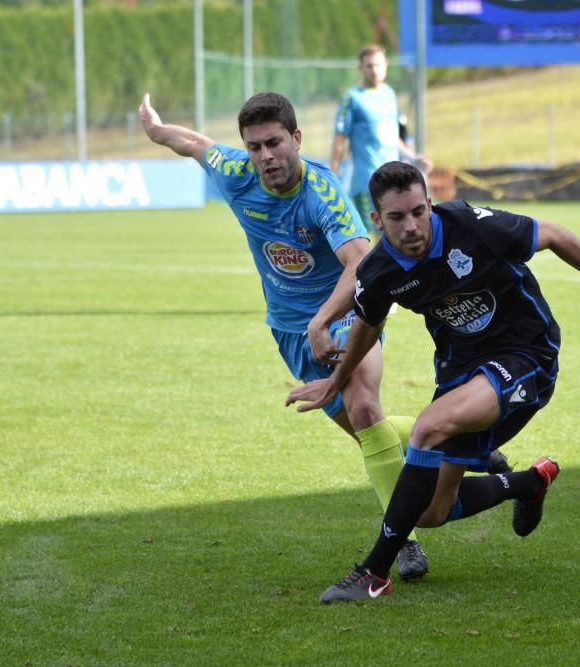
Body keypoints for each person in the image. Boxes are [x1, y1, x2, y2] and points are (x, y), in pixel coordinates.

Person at [286, 161, 580, 603]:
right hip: (460, 370)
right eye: (397, 217)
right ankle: (528, 484)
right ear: (377, 220)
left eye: (418, 212)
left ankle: (374, 572)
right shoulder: (378, 273)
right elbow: (367, 327)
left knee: (428, 428)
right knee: (431, 512)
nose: (411, 226)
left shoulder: (472, 226)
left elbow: (555, 235)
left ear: (429, 204)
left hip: (526, 354)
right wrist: (335, 383)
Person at [137, 92, 433, 580]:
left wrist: (322, 321)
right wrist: (155, 130)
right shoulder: (236, 175)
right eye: (254, 147)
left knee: (363, 407)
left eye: (274, 143)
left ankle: (404, 543)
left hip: (347, 313)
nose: (265, 156)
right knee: (370, 432)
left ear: (296, 138)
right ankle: (446, 429)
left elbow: (360, 264)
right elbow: (195, 143)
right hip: (288, 331)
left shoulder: (320, 190)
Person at [331, 44, 432, 241]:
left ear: (385, 65)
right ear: (361, 68)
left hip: (394, 181)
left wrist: (413, 158)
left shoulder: (389, 93)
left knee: (398, 237)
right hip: (367, 182)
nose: (374, 70)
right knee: (381, 237)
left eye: (378, 64)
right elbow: (339, 140)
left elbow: (391, 136)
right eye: (369, 65)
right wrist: (333, 177)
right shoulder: (351, 98)